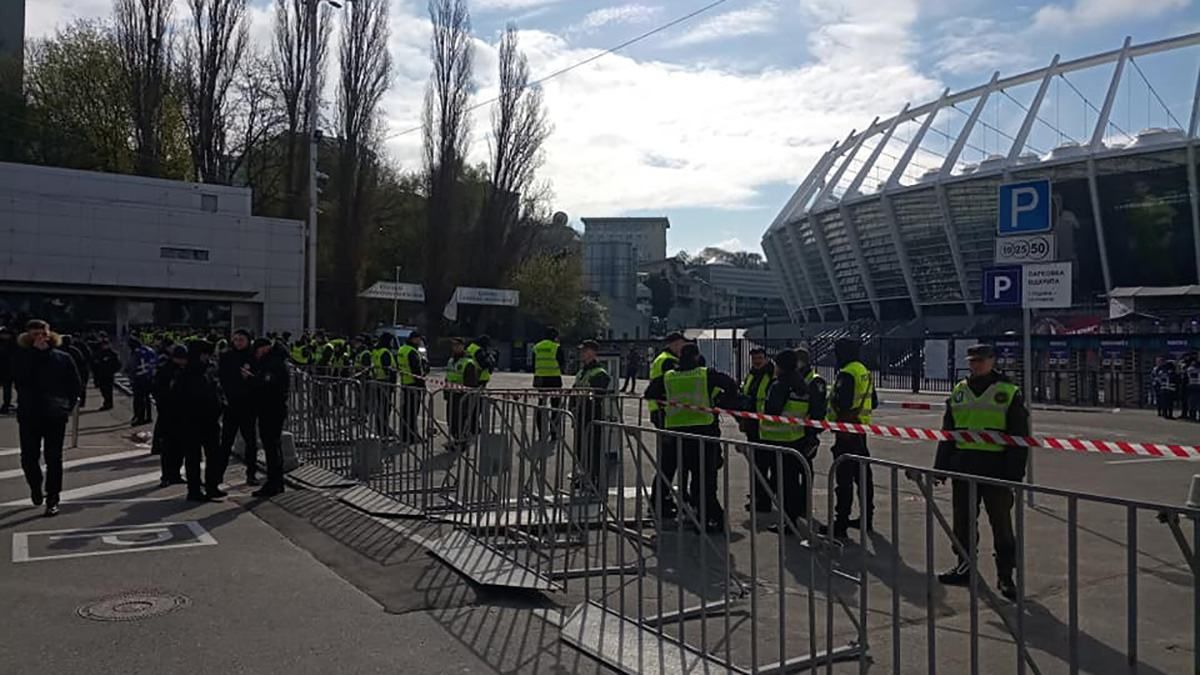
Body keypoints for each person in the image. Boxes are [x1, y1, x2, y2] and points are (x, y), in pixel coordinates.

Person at [934, 344, 1030, 602]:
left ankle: (1006, 576)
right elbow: (948, 432)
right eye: (972, 360)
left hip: (996, 468)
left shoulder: (1008, 392)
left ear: (992, 361)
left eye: (981, 360)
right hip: (964, 466)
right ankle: (964, 567)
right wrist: (940, 468)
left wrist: (1014, 476)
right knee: (962, 522)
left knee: (1001, 525)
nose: (976, 365)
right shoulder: (959, 391)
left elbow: (1020, 437)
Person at [644, 342, 738, 534]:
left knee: (670, 470)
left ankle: (665, 506)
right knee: (704, 478)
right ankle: (707, 518)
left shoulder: (669, 377)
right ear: (696, 357)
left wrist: (666, 404)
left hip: (676, 433)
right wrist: (721, 401)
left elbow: (649, 393)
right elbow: (731, 384)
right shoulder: (705, 374)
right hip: (703, 432)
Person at [12, 320, 81, 517]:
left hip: (55, 414)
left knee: (54, 458)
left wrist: (67, 405)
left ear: (50, 335)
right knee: (28, 457)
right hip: (29, 414)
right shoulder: (21, 357)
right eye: (35, 334)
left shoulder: (62, 357)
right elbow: (19, 378)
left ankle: (53, 498)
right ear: (28, 337)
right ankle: (35, 486)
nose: (40, 338)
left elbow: (74, 384)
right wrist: (35, 354)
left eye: (43, 334)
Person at [759, 346, 826, 531]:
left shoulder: (780, 385)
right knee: (792, 482)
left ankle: (788, 522)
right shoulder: (802, 386)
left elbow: (772, 410)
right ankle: (793, 516)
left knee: (784, 484)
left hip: (778, 439)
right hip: (796, 437)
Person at [821, 337, 878, 540]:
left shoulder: (847, 373)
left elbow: (841, 401)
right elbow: (875, 401)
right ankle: (867, 517)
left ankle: (841, 523)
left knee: (843, 479)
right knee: (863, 477)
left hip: (846, 432)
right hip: (860, 429)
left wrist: (833, 412)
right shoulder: (864, 371)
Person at [646, 332, 686, 519]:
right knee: (668, 461)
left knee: (669, 459)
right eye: (682, 344)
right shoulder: (668, 361)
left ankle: (662, 499)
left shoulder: (662, 358)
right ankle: (660, 501)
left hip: (661, 411)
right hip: (665, 413)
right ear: (676, 343)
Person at [177, 341, 222, 501]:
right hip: (194, 421)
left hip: (209, 420)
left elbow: (215, 392)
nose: (209, 358)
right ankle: (194, 490)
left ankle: (212, 487)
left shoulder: (207, 370)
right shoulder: (189, 373)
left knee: (212, 455)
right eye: (206, 355)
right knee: (194, 457)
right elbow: (183, 398)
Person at [219, 329, 259, 485]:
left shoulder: (253, 357)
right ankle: (218, 474)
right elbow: (222, 377)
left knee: (250, 441)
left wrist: (249, 379)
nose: (238, 342)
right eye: (235, 339)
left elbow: (258, 379)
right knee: (226, 441)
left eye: (241, 339)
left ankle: (251, 474)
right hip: (231, 404)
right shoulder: (227, 357)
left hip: (248, 405)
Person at [571, 340, 612, 491]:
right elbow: (574, 391)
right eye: (581, 350)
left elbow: (597, 394)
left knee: (592, 449)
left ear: (593, 352)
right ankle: (583, 477)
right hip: (580, 415)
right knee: (580, 449)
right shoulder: (582, 372)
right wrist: (573, 408)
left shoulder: (599, 373)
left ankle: (594, 479)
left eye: (585, 350)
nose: (582, 353)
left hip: (592, 415)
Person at [251, 337, 289, 498]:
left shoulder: (273, 364)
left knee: (271, 446)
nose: (256, 354)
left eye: (258, 350)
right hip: (272, 408)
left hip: (271, 408)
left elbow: (269, 385)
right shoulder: (274, 361)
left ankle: (273, 482)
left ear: (265, 349)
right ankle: (276, 481)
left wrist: (254, 379)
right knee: (273, 445)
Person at [738, 347, 775, 513]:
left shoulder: (771, 376)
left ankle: (764, 500)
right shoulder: (752, 374)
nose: (757, 362)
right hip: (752, 425)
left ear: (766, 358)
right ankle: (760, 495)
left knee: (763, 465)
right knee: (757, 465)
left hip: (766, 426)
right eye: (754, 359)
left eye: (760, 358)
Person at [155, 345, 190, 487]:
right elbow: (160, 392)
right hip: (170, 414)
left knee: (177, 447)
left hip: (177, 414)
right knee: (170, 447)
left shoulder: (181, 370)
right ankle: (167, 475)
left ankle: (174, 474)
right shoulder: (168, 371)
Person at [445, 338, 481, 451]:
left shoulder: (468, 363)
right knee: (451, 420)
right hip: (451, 394)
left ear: (463, 346)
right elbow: (447, 377)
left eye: (458, 345)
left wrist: (467, 395)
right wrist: (445, 392)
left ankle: (462, 442)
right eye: (453, 345)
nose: (455, 347)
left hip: (462, 396)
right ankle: (455, 440)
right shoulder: (451, 361)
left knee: (460, 420)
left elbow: (471, 384)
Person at [532, 328, 565, 440]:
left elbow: (533, 363)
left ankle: (541, 433)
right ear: (555, 337)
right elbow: (562, 363)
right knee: (555, 405)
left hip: (540, 379)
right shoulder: (556, 347)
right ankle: (554, 432)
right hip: (554, 379)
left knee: (541, 404)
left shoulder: (537, 347)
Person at [397, 331, 429, 444]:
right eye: (419, 339)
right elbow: (417, 371)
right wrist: (423, 386)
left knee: (406, 412)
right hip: (413, 385)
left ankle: (404, 435)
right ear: (414, 339)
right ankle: (411, 436)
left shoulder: (402, 349)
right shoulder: (412, 352)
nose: (420, 342)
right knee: (412, 413)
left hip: (405, 383)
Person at [128, 337, 158, 426]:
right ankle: (148, 417)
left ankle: (139, 418)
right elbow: (155, 362)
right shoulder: (150, 350)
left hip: (139, 378)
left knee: (139, 399)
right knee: (147, 398)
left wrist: (130, 375)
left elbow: (132, 366)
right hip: (149, 377)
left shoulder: (136, 353)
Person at [90, 334, 121, 411]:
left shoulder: (112, 354)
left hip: (109, 375)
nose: (105, 346)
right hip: (101, 375)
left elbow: (118, 364)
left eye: (106, 344)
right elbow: (94, 364)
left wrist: (112, 371)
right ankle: (106, 402)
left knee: (108, 390)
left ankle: (108, 403)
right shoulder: (99, 353)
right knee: (103, 390)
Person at [60, 335, 90, 410]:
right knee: (78, 387)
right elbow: (82, 362)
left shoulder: (61, 350)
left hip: (64, 373)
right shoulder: (75, 350)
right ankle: (79, 402)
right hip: (76, 372)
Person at [0, 326, 15, 414]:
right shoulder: (12, 344)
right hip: (6, 369)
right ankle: (6, 404)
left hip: (9, 369)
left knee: (8, 388)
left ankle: (7, 404)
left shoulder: (12, 344)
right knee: (7, 388)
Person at [1187, 356, 1200, 423]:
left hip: (1197, 386)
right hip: (1192, 386)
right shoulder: (1190, 369)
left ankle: (1193, 416)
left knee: (1196, 402)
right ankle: (1192, 416)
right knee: (1192, 402)